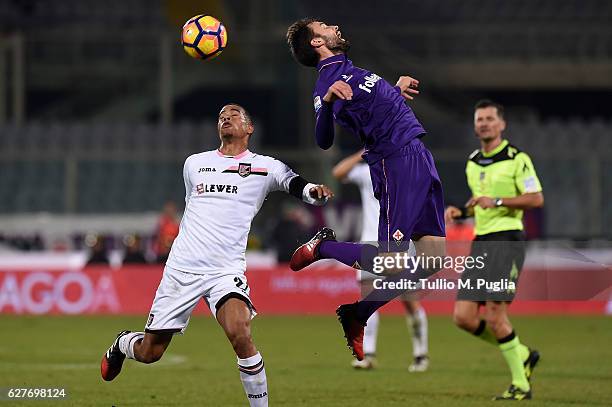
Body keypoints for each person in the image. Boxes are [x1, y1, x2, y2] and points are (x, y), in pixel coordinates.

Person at [100, 104, 333, 407]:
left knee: (240, 333)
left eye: (235, 114)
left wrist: (314, 191)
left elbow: (296, 184)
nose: (226, 117)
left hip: (225, 270)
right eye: (222, 115)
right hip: (182, 268)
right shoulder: (195, 164)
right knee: (150, 353)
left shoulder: (265, 166)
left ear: (249, 128)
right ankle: (121, 344)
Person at [286, 19, 446, 361]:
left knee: (433, 259)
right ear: (317, 42)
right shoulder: (326, 82)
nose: (335, 26)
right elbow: (323, 140)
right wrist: (327, 103)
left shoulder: (350, 69)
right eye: (325, 26)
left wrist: (392, 91)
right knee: (391, 263)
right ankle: (324, 247)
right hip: (395, 163)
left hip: (419, 155)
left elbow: (370, 105)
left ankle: (358, 314)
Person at [445, 99, 543, 400]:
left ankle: (521, 385)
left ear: (502, 124)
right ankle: (522, 352)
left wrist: (498, 202)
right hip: (481, 242)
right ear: (475, 127)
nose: (484, 123)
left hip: (506, 240)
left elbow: (535, 198)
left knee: (496, 317)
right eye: (479, 119)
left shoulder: (517, 158)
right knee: (464, 317)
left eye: (489, 118)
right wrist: (463, 212)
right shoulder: (473, 161)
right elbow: (482, 205)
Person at [333, 150, 429, 371]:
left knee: (410, 300)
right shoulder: (367, 171)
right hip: (371, 243)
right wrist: (361, 154)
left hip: (401, 243)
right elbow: (337, 173)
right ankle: (368, 354)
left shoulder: (408, 169)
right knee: (367, 300)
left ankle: (420, 354)